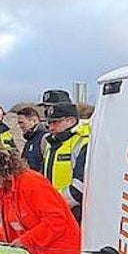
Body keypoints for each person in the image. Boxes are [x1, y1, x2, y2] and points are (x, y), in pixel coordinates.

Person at [39, 90, 89, 220]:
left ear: (71, 121)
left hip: (74, 212)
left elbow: (80, 186)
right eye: (49, 123)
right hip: (55, 211)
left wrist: (54, 203)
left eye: (55, 122)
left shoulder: (83, 142)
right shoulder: (51, 142)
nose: (51, 127)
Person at [14, 105, 48, 173]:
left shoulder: (44, 138)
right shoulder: (30, 140)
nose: (20, 126)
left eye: (21, 122)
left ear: (33, 121)